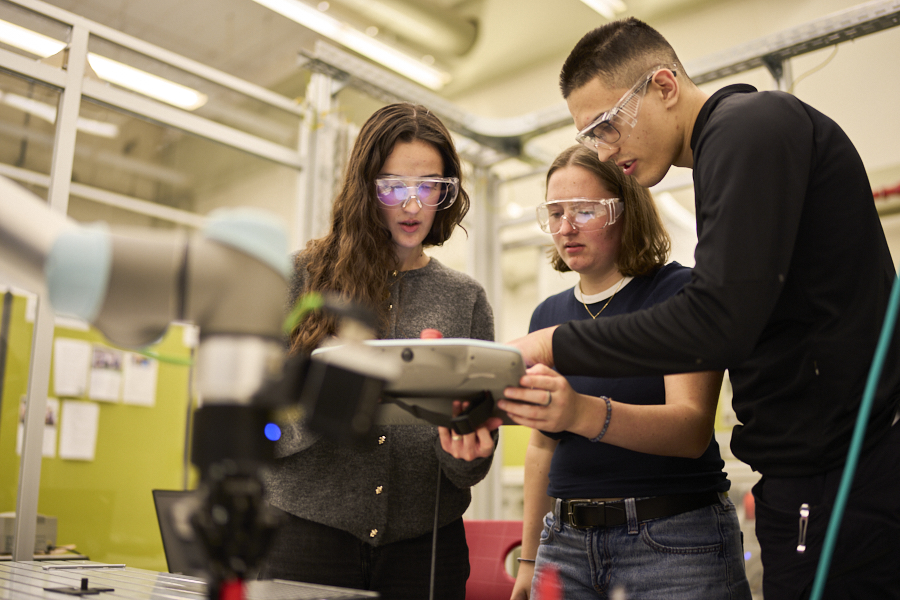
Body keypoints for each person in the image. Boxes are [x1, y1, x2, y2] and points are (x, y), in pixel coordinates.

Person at [505, 18, 900, 600]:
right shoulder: (730, 149)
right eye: (591, 135)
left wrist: (550, 345)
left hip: (845, 470)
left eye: (609, 124)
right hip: (808, 469)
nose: (605, 150)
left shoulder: (749, 129)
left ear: (664, 86)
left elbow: (716, 319)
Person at [260, 102, 499, 599]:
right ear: (364, 188)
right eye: (392, 186)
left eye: (430, 186)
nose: (412, 206)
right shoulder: (299, 279)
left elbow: (468, 466)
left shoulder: (465, 298)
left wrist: (469, 453)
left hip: (426, 551)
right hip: (305, 540)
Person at [503, 144, 749, 599]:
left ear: (626, 210)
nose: (566, 227)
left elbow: (691, 428)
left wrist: (579, 411)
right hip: (567, 545)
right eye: (555, 213)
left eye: (585, 210)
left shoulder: (681, 293)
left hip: (673, 543)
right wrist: (530, 559)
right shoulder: (547, 315)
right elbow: (540, 446)